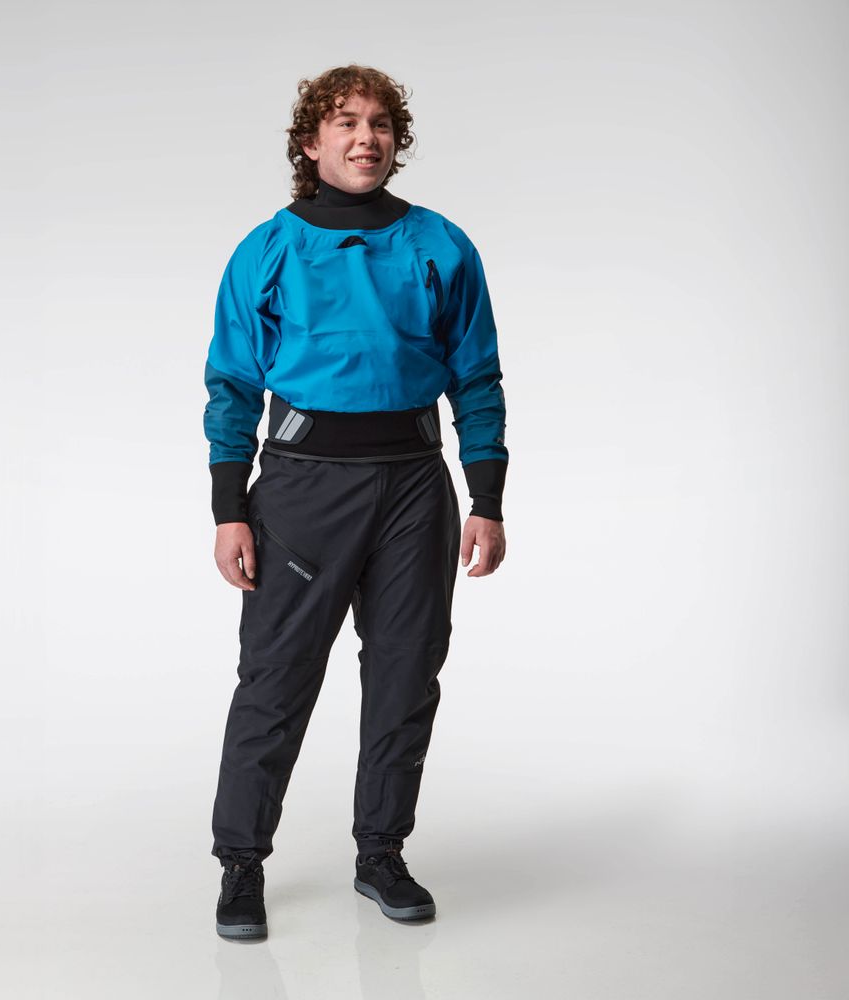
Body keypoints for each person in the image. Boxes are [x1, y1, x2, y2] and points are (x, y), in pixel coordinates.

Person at [203, 64, 508, 940]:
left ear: (395, 141)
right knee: (276, 677)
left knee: (407, 674)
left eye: (379, 123)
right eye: (345, 122)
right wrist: (229, 508)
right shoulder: (268, 250)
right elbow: (232, 383)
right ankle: (241, 864)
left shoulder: (440, 244)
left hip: (414, 484)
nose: (365, 137)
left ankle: (381, 853)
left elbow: (477, 375)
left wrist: (485, 496)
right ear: (311, 141)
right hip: (303, 489)